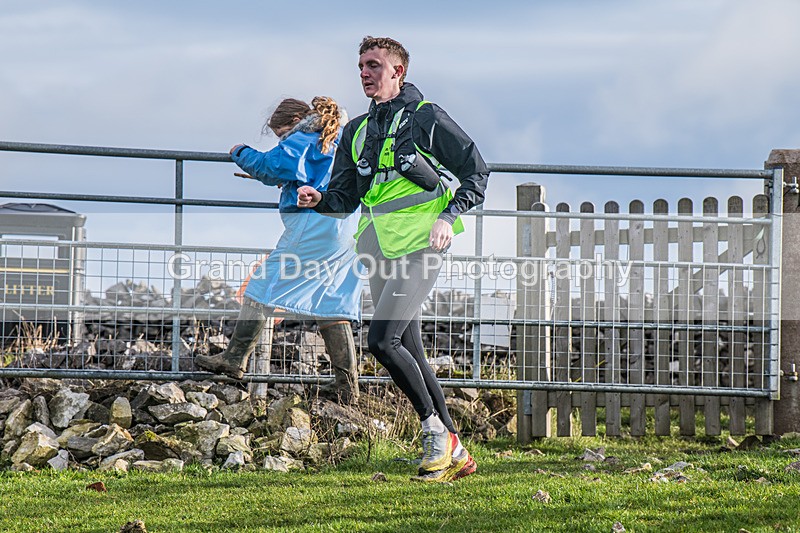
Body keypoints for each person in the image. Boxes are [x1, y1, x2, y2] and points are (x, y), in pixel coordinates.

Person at [298, 36, 489, 482]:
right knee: (410, 348)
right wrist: (319, 200)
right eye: (361, 66)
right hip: (377, 247)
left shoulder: (426, 117)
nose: (364, 73)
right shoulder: (356, 131)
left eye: (374, 65)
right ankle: (455, 450)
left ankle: (433, 433)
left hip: (423, 244)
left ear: (398, 71)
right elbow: (345, 197)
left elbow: (476, 174)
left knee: (382, 342)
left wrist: (448, 216)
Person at [196, 96, 363, 403]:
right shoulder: (339, 136)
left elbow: (273, 166)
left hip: (313, 224)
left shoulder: (304, 136)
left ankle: (234, 359)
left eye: (281, 136)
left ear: (296, 121)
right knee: (331, 301)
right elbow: (315, 174)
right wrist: (291, 183)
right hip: (347, 228)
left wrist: (240, 152)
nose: (282, 142)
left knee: (263, 284)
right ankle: (346, 386)